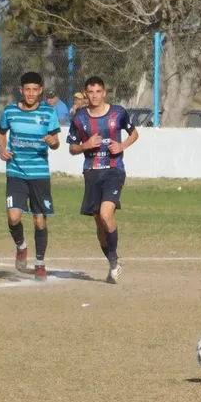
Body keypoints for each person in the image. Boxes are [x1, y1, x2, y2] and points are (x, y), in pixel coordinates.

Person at [66, 75, 138, 284]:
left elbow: (134, 134)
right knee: (99, 223)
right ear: (85, 94)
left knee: (106, 215)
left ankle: (114, 260)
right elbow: (72, 148)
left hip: (114, 170)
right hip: (92, 172)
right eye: (90, 92)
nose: (94, 96)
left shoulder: (118, 113)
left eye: (98, 92)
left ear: (104, 93)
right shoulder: (79, 118)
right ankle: (113, 263)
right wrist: (85, 145)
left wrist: (122, 146)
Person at [0, 71, 61, 280]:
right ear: (21, 90)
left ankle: (40, 263)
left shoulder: (48, 113)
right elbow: (1, 134)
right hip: (16, 172)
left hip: (39, 174)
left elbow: (56, 142)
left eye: (35, 89)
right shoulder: (10, 111)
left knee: (39, 221)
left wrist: (53, 142)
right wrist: (2, 150)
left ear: (40, 91)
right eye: (27, 89)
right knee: (13, 217)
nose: (31, 93)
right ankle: (21, 246)